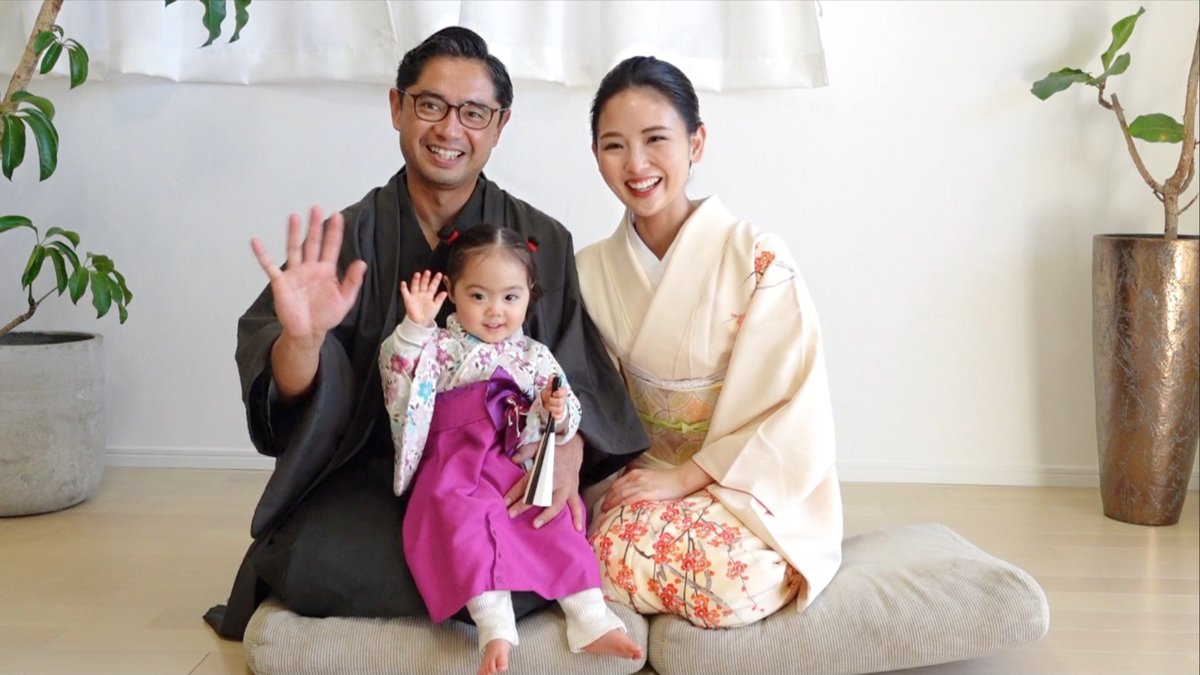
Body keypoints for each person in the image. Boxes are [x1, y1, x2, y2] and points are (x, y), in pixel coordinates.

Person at [203, 27, 648, 640]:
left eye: (474, 112)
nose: (450, 129)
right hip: (376, 478)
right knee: (309, 561)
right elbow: (287, 401)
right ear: (398, 107)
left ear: (500, 124)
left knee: (531, 538)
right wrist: (303, 340)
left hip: (497, 477)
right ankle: (477, 585)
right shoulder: (348, 239)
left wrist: (566, 451)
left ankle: (482, 578)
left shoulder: (539, 239)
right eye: (431, 104)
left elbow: (574, 374)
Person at [577, 56, 844, 629]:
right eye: (614, 145)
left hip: (741, 485)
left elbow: (791, 408)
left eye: (656, 139)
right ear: (595, 154)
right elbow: (588, 405)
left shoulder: (758, 256)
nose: (637, 164)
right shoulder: (590, 271)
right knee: (595, 548)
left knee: (738, 575)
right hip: (643, 480)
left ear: (696, 142)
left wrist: (686, 478)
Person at [381, 225, 642, 674]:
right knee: (466, 529)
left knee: (556, 520)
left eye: (510, 297)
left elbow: (565, 413)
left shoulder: (533, 355)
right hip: (455, 465)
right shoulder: (440, 346)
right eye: (478, 296)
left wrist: (556, 409)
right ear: (451, 291)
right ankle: (495, 628)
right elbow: (400, 375)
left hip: (511, 459)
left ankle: (591, 619)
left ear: (529, 296)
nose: (495, 311)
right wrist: (414, 327)